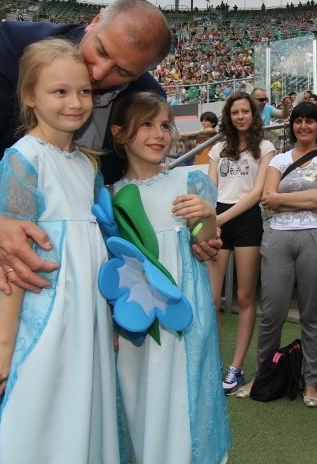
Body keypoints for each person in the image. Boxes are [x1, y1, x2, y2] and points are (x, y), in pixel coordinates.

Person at [0, 0, 219, 463]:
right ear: (95, 20)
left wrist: (198, 226)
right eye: (100, 50)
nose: (99, 74)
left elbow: (134, 185)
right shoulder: (19, 44)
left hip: (74, 276)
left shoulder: (141, 92)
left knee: (69, 388)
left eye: (121, 71)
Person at [0, 38, 119, 462]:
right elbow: (13, 263)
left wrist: (108, 317)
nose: (75, 103)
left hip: (87, 316)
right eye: (59, 92)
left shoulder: (87, 164)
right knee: (43, 416)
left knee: (84, 413)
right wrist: (4, 344)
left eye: (84, 92)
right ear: (29, 97)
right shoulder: (22, 161)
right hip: (47, 316)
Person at [109, 91, 230, 464]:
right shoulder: (110, 196)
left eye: (164, 125)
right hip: (136, 322)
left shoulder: (189, 181)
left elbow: (205, 243)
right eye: (145, 124)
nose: (158, 134)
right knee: (140, 394)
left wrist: (208, 216)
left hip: (187, 314)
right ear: (119, 133)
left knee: (188, 393)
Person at [238, 102, 317, 407]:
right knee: (272, 313)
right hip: (279, 236)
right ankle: (262, 375)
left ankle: (310, 382)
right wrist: (307, 200)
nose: (304, 126)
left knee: (312, 314)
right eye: (298, 121)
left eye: (310, 121)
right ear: (292, 125)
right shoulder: (280, 160)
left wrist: (285, 199)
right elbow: (268, 200)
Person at [207, 92, 276, 395]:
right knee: (211, 298)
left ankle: (236, 367)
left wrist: (222, 219)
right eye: (235, 112)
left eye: (245, 111)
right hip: (217, 218)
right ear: (228, 115)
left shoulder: (266, 147)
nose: (240, 116)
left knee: (245, 297)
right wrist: (214, 220)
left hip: (246, 220)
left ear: (253, 114)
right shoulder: (218, 148)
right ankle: (212, 363)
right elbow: (210, 188)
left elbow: (258, 191)